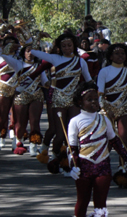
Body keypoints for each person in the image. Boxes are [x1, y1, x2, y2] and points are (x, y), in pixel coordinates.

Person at [68, 82, 127, 217]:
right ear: (80, 102)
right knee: (83, 200)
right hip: (84, 166)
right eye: (89, 99)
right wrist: (72, 166)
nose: (94, 102)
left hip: (103, 165)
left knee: (101, 202)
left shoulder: (104, 119)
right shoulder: (75, 121)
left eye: (96, 99)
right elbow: (73, 149)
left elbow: (114, 141)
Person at [31, 33, 92, 161]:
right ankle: (55, 155)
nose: (67, 48)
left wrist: (97, 97)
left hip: (74, 100)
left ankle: (69, 160)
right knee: (60, 134)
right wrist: (35, 40)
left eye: (69, 45)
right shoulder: (55, 59)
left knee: (72, 133)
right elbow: (34, 52)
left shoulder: (81, 61)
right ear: (60, 47)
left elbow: (89, 81)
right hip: (58, 99)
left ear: (74, 45)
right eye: (63, 46)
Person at [97, 43, 127, 186]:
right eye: (116, 53)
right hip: (107, 109)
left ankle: (122, 169)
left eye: (122, 53)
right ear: (110, 56)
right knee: (107, 141)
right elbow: (100, 94)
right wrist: (105, 108)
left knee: (123, 140)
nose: (120, 56)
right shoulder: (104, 71)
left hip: (123, 108)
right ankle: (102, 168)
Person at [1, 45, 47, 155]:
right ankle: (18, 142)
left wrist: (53, 85)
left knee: (34, 121)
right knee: (20, 123)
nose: (30, 53)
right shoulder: (18, 64)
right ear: (24, 53)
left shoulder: (39, 66)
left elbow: (45, 81)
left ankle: (33, 145)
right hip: (21, 96)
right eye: (28, 51)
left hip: (36, 95)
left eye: (33, 51)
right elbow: (4, 56)